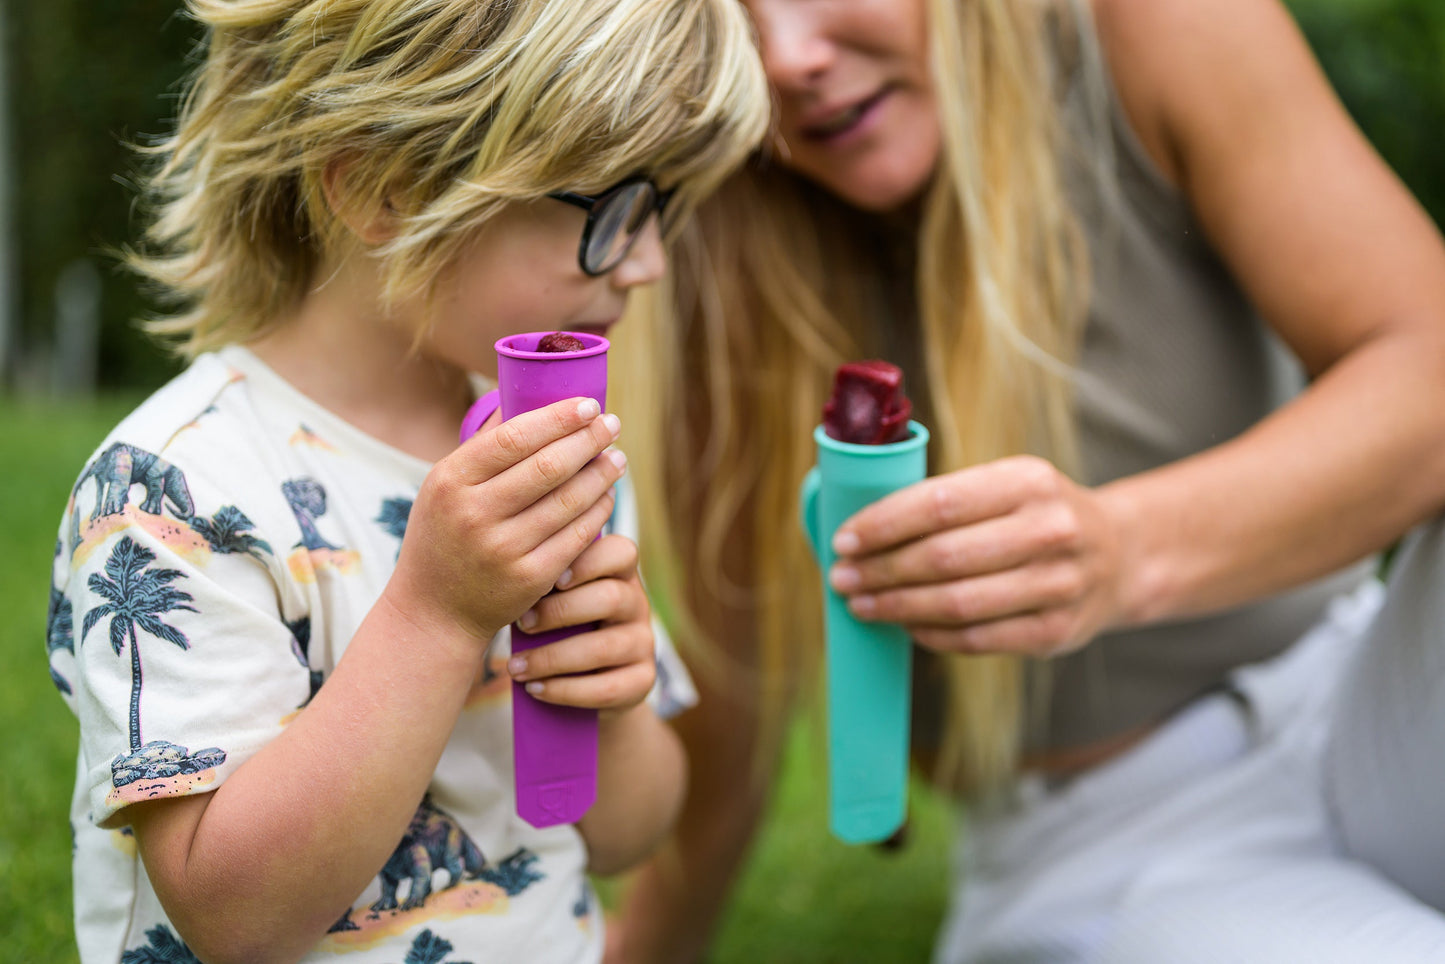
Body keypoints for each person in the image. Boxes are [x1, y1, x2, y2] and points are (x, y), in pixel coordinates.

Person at [606, 0, 1445, 960]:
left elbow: (1428, 369)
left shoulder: (1148, 28)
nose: (791, 57)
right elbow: (734, 681)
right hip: (1105, 845)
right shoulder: (711, 238)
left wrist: (1124, 551)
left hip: (1370, 695)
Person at [43, 0, 767, 961]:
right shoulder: (171, 491)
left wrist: (615, 703)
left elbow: (625, 834)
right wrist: (436, 616)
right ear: (385, 191)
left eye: (661, 207)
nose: (648, 263)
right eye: (612, 208)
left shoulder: (546, 448)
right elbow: (234, 919)